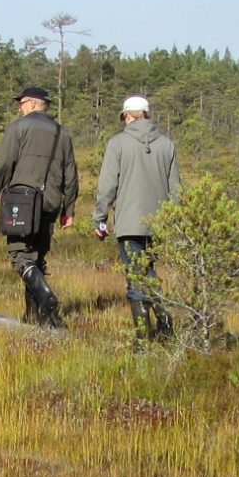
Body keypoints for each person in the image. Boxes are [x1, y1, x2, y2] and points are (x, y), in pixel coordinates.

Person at [0, 85, 77, 328]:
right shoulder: (61, 133)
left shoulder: (19, 128)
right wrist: (69, 209)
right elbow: (71, 174)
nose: (19, 107)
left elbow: (4, 165)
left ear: (33, 103)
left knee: (20, 256)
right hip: (51, 202)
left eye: (21, 103)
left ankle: (47, 298)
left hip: (22, 202)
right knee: (37, 257)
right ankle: (36, 318)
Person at [93, 95, 181, 340]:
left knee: (136, 277)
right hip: (161, 224)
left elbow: (107, 186)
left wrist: (99, 218)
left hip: (129, 224)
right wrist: (177, 224)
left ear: (128, 116)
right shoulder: (167, 144)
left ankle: (144, 339)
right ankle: (164, 324)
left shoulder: (118, 143)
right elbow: (177, 189)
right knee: (148, 271)